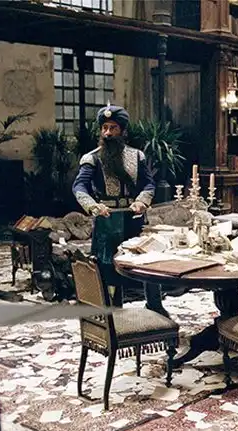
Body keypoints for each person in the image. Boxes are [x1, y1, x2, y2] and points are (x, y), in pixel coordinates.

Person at [72, 104, 163, 313]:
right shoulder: (91, 158)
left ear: (122, 130)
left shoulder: (137, 156)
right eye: (104, 128)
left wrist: (141, 201)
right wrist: (93, 206)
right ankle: (113, 313)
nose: (108, 133)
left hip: (134, 219)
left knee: (146, 262)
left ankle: (155, 307)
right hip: (107, 220)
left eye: (113, 128)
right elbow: (79, 186)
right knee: (107, 267)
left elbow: (149, 184)